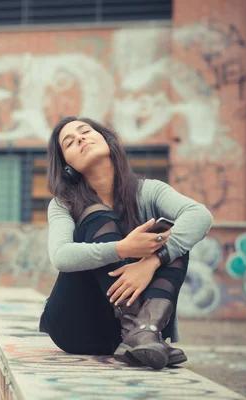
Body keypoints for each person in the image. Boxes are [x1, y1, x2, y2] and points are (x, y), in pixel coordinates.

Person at [39, 116, 213, 370]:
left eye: (85, 131)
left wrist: (152, 261)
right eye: (69, 142)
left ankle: (144, 330)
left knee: (171, 241)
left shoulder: (149, 191)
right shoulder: (63, 204)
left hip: (128, 340)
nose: (79, 138)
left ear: (106, 140)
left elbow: (200, 216)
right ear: (67, 165)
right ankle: (139, 332)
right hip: (77, 325)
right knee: (97, 216)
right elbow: (61, 256)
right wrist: (123, 249)